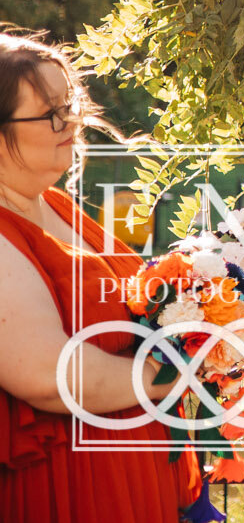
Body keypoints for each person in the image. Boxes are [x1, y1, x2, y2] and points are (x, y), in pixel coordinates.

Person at [0, 30, 201, 521]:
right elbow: (51, 377)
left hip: (135, 485)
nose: (70, 121)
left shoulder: (56, 206)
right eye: (50, 114)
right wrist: (170, 372)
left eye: (69, 104)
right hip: (67, 493)